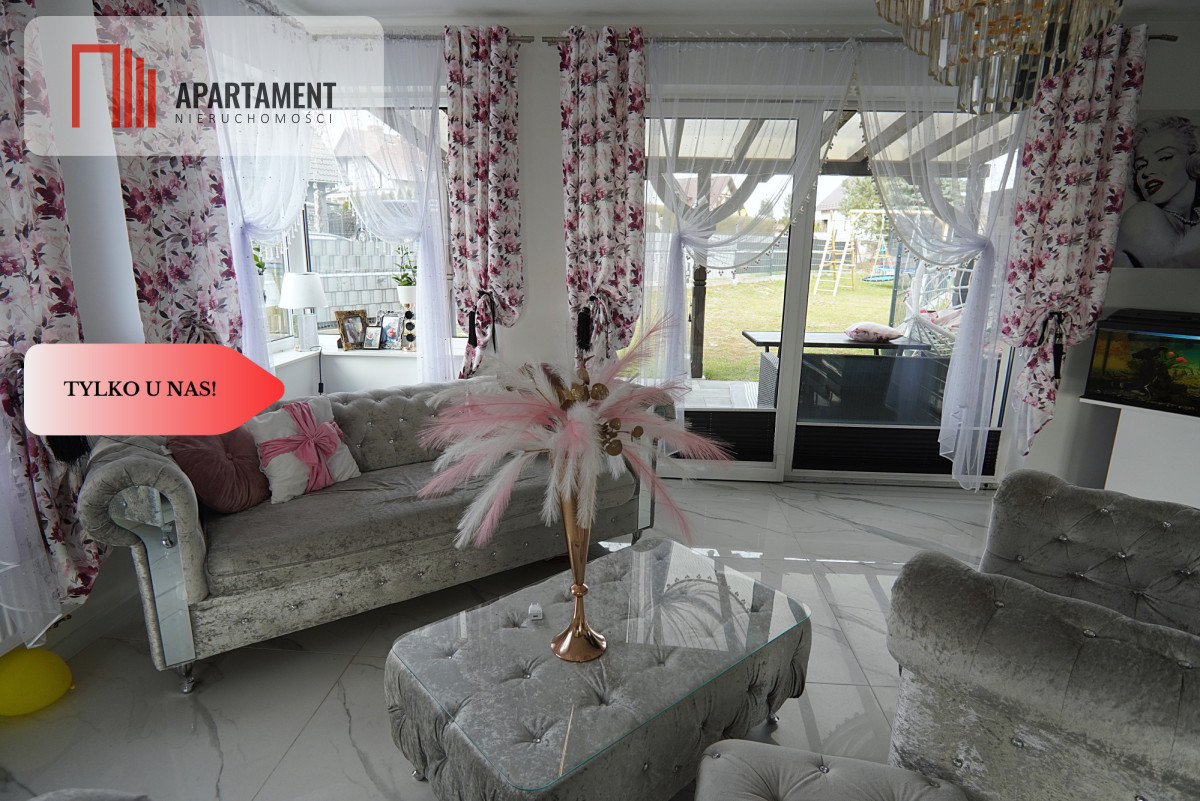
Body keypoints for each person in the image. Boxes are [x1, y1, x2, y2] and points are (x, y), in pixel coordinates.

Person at [1114, 115, 1200, 269]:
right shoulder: (1142, 215)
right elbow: (1179, 277)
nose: (1147, 172)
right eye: (1141, 166)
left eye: (1164, 158)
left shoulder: (1191, 222)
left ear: (1195, 162)